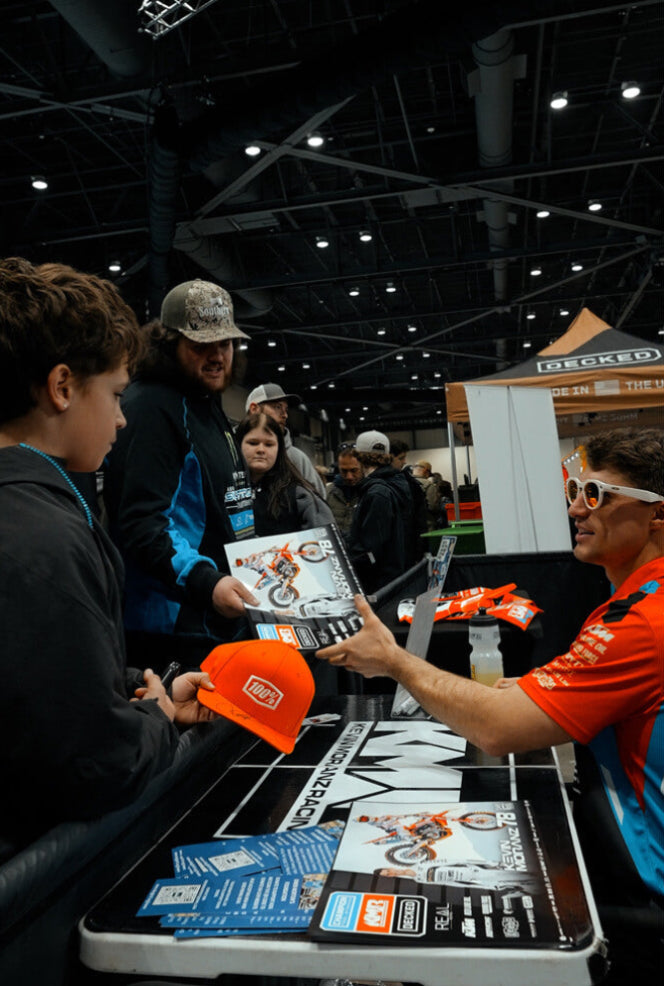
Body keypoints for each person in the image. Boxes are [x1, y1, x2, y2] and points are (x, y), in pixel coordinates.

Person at [318, 427, 664, 981]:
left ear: (656, 516)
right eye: (573, 488)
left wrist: (395, 661)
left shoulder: (643, 622)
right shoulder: (632, 603)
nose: (575, 506)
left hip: (641, 883)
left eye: (596, 494)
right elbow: (520, 694)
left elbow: (499, 729)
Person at [0, 257, 220, 844]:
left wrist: (133, 690)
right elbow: (100, 763)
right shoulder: (44, 533)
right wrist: (156, 720)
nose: (122, 419)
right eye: (117, 395)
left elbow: (31, 678)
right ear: (63, 386)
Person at [103, 278, 258, 670]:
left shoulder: (206, 404)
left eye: (224, 343)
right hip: (172, 629)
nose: (216, 355)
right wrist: (208, 582)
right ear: (169, 343)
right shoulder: (152, 407)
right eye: (201, 344)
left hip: (217, 616)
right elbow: (142, 522)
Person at [346, 430, 419, 593]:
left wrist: (346, 562)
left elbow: (371, 547)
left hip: (379, 584)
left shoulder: (377, 493)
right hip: (394, 579)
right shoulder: (395, 485)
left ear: (359, 458)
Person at [236, 411, 333, 535]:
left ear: (279, 449)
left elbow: (327, 540)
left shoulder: (299, 495)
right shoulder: (222, 491)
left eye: (269, 444)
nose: (261, 450)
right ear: (238, 445)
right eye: (253, 443)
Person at [245, 382, 327, 498]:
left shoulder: (297, 459)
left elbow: (319, 506)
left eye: (286, 409)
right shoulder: (230, 452)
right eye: (277, 407)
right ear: (254, 409)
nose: (285, 415)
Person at [326, 441, 362, 536]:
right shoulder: (328, 492)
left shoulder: (370, 493)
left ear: (363, 467)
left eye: (354, 470)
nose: (349, 476)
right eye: (344, 471)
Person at [412, 459, 443, 531]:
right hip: (426, 526)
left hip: (408, 527)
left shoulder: (404, 483)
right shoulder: (428, 485)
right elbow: (432, 507)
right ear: (426, 471)